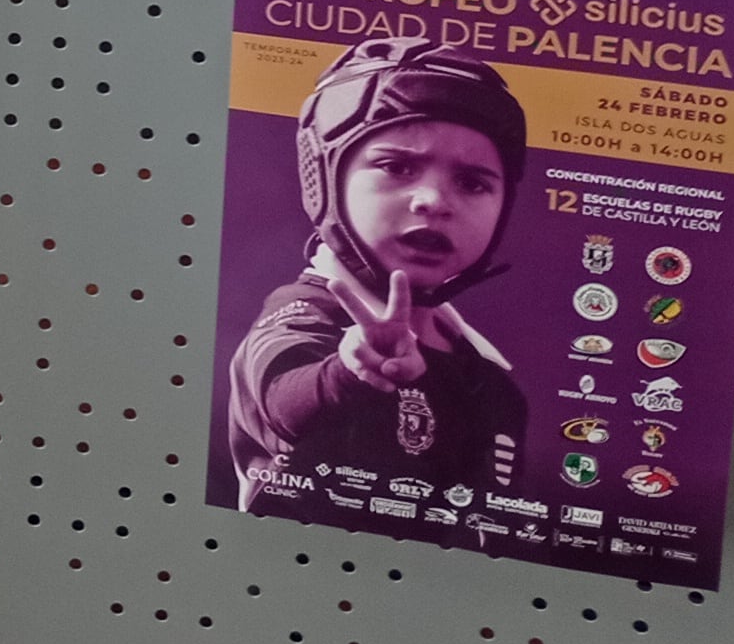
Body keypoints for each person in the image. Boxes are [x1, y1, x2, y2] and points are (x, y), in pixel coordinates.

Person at [225, 36, 532, 510]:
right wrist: (348, 372)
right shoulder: (306, 313)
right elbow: (282, 399)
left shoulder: (493, 383)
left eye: (472, 183)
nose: (434, 201)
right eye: (397, 166)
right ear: (324, 179)